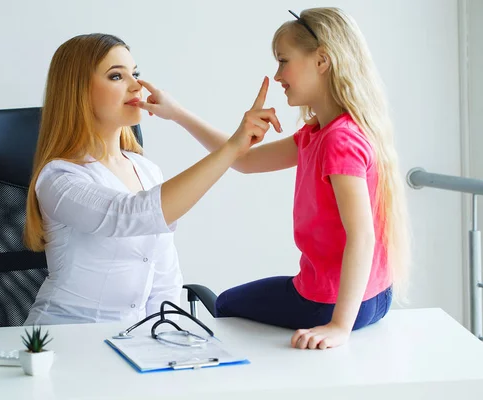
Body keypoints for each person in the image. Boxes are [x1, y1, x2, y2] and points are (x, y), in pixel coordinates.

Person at [135, 8, 410, 350]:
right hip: (376, 296)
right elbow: (245, 160)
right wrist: (177, 113)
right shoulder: (319, 134)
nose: (278, 75)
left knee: (225, 305)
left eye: (283, 61)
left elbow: (362, 235)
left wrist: (339, 325)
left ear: (322, 60)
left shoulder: (338, 139)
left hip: (333, 304)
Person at [22, 33, 277, 326]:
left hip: (132, 340)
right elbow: (129, 214)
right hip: (64, 336)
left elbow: (164, 276)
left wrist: (166, 337)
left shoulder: (147, 170)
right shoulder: (58, 178)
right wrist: (232, 148)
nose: (136, 86)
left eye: (136, 73)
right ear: (78, 91)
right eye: (117, 76)